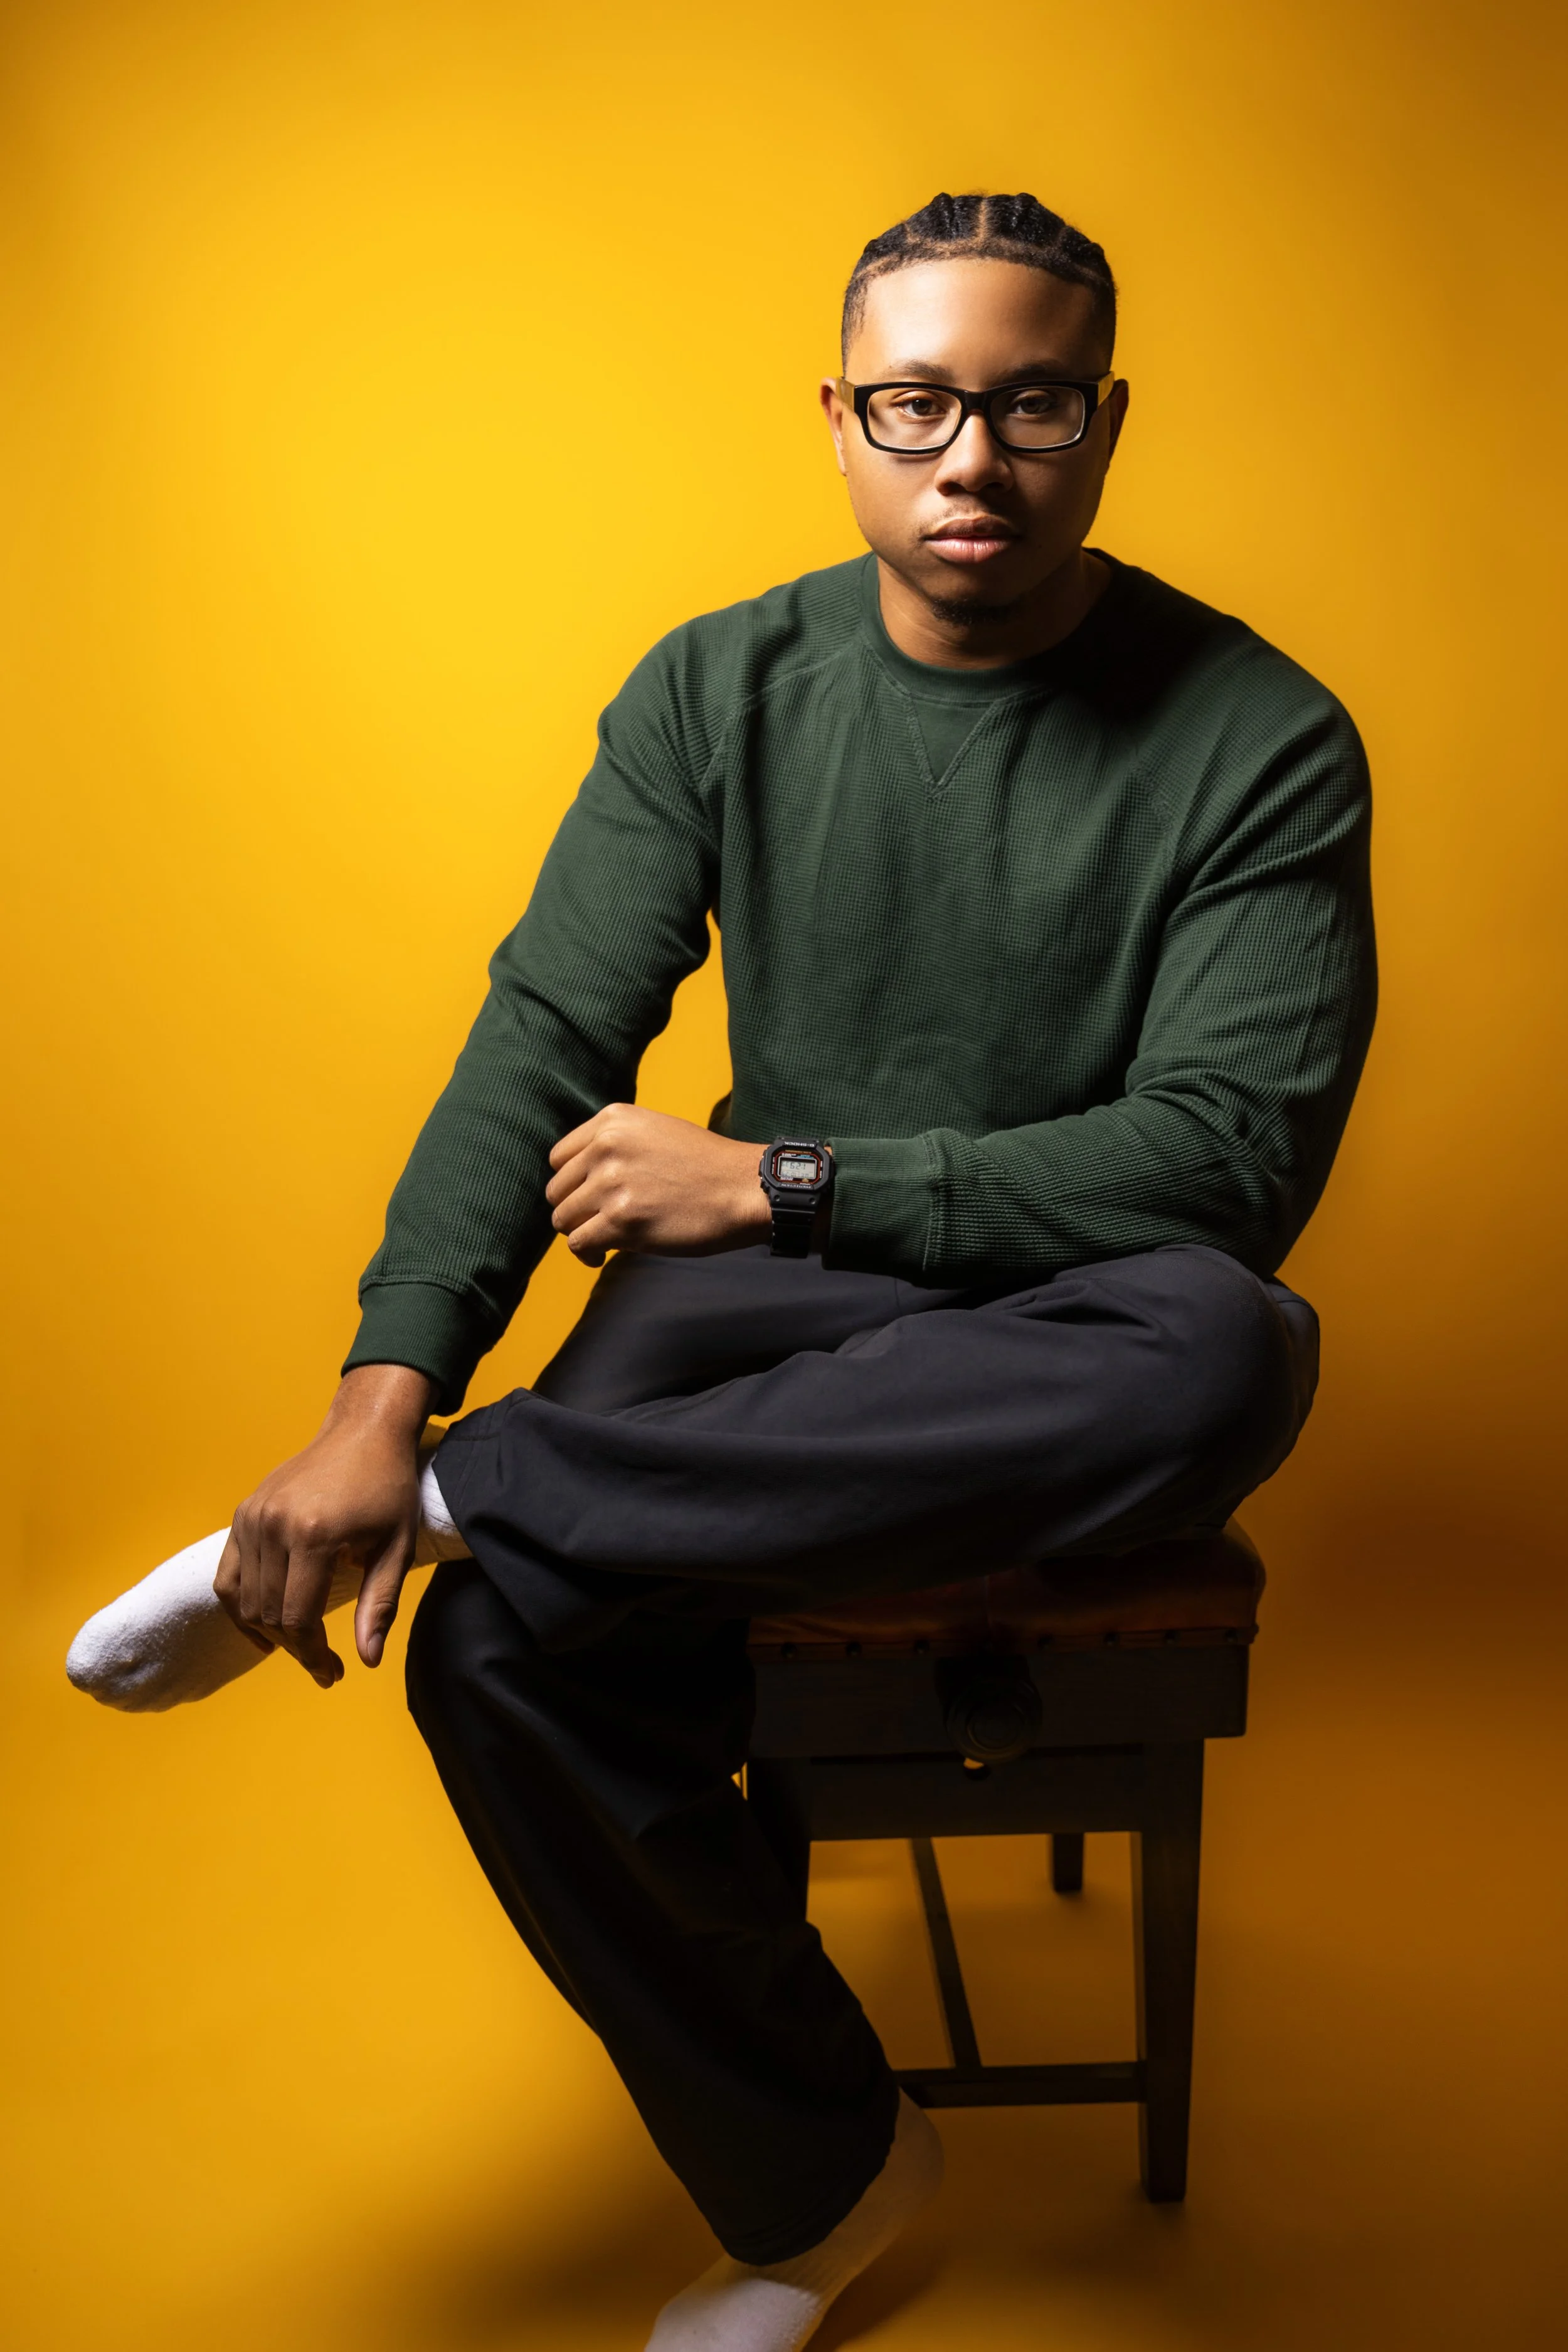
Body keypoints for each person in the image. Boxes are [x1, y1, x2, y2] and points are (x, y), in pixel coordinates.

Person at [68, 193, 1375, 2351]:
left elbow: (1219, 1163)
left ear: (1106, 420)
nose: (973, 457)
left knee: (1229, 1344)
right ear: (841, 419)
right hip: (776, 1314)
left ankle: (498, 1489)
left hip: (1057, 1309)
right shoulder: (719, 685)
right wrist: (379, 1394)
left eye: (1031, 401)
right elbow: (543, 1042)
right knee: (490, 1667)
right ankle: (824, 2176)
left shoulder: (1259, 732)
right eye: (917, 401)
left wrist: (778, 1183)